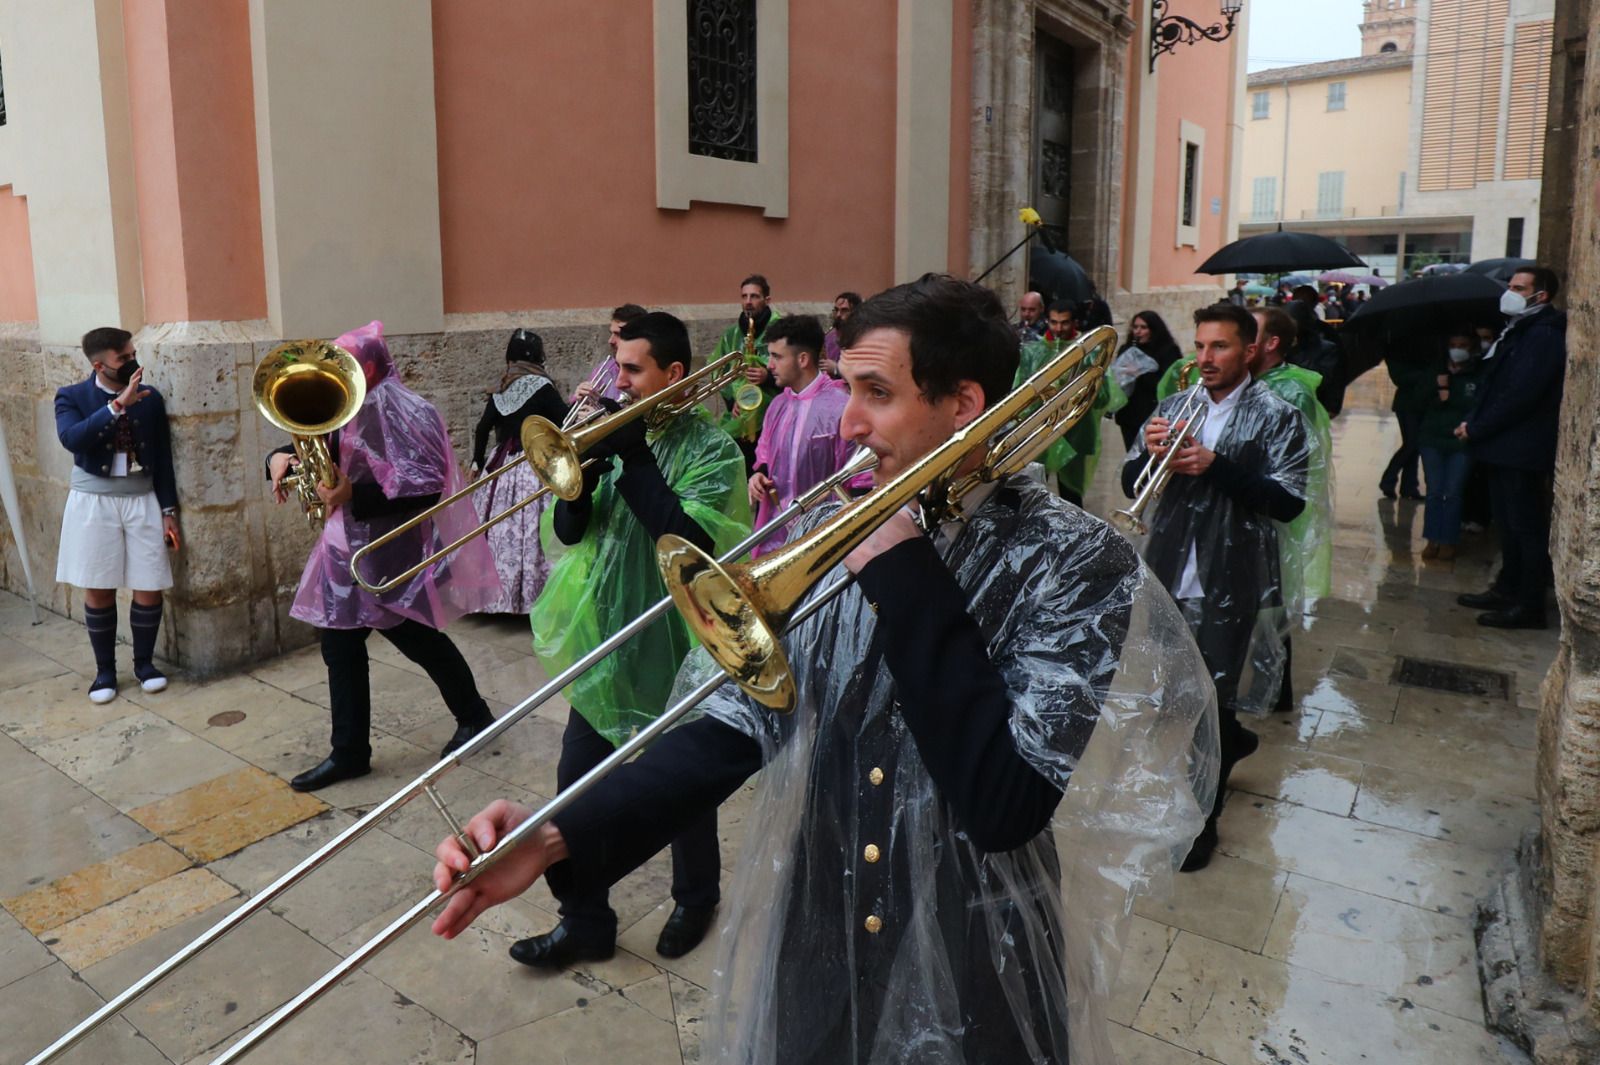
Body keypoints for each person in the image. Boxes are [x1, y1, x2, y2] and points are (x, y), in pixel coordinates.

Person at [433, 275, 1216, 1065]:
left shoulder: (1077, 561)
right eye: (846, 389)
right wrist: (560, 830)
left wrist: (906, 569)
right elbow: (736, 727)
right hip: (823, 919)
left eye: (875, 392)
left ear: (964, 403)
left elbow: (1006, 801)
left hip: (976, 939)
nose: (846, 424)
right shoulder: (836, 524)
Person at [522, 311, 751, 966]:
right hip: (608, 642)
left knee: (680, 788)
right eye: (617, 365)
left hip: (676, 645)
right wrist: (578, 487)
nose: (615, 381)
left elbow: (696, 545)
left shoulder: (714, 450)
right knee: (577, 782)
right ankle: (585, 917)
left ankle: (696, 896)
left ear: (673, 374)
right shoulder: (612, 436)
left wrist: (634, 458)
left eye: (631, 369)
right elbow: (568, 537)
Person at [267, 322, 501, 792]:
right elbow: (311, 446)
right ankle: (349, 752)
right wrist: (277, 459)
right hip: (344, 549)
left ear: (370, 367)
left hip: (392, 549)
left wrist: (357, 492)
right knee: (339, 645)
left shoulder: (413, 411)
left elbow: (428, 484)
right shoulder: (338, 405)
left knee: (417, 637)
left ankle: (475, 716)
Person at [1122, 303, 1309, 870]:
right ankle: (1220, 749)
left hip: (1234, 569)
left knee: (1216, 690)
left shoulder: (1279, 414)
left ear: (1249, 350)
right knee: (1174, 685)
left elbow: (1289, 500)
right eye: (1199, 346)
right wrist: (1148, 456)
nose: (1205, 358)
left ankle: (1203, 820)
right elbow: (1132, 478)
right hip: (1173, 559)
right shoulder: (1174, 404)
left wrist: (1216, 465)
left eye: (1219, 347)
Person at [54, 327, 181, 704]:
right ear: (99, 365)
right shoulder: (72, 397)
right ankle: (105, 671)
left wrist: (168, 510)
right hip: (93, 501)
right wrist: (116, 406)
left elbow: (162, 458)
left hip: (141, 497)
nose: (132, 362)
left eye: (132, 354)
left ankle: (144, 664)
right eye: (123, 358)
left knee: (148, 580)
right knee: (98, 583)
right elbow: (72, 439)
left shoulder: (152, 398)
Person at [1455, 265, 1568, 629]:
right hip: (1502, 445)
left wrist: (1478, 427)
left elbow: (1521, 393)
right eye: (1511, 285)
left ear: (1542, 295)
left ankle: (1529, 603)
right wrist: (1474, 421)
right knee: (1507, 524)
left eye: (1520, 287)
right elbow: (1495, 386)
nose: (1511, 291)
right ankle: (1508, 588)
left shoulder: (1544, 335)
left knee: (1525, 527)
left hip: (1520, 446)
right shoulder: (1521, 329)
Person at [1251, 308, 1335, 714]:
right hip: (1249, 506)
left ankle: (1274, 692)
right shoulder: (1254, 381)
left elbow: (1290, 461)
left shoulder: (1291, 391)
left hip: (1270, 510)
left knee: (1271, 605)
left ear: (1271, 343)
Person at [467, 329, 571, 613]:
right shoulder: (544, 387)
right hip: (533, 466)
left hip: (500, 464)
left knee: (498, 530)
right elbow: (564, 420)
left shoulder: (503, 386)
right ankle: (532, 597)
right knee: (533, 529)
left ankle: (494, 598)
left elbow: (482, 428)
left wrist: (477, 462)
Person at [748, 315, 853, 556]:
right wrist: (757, 477)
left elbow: (854, 477)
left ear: (803, 359)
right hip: (777, 537)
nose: (769, 365)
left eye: (777, 356)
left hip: (824, 537)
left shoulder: (840, 407)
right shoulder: (777, 406)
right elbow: (765, 459)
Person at [1017, 301, 1125, 506]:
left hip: (1075, 433)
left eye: (1064, 323)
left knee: (1072, 496)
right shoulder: (1033, 352)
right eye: (1054, 322)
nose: (1058, 329)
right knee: (1033, 492)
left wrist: (1076, 387)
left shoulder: (1091, 351)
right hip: (1040, 432)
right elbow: (1020, 394)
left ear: (1074, 322)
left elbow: (1103, 397)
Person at [1418, 330, 1484, 562]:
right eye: (1453, 344)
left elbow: (1476, 404)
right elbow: (1420, 399)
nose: (1457, 349)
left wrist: (1453, 398)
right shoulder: (1436, 371)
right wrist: (1439, 392)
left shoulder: (1478, 374)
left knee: (1453, 492)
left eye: (1462, 344)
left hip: (1460, 441)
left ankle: (1448, 540)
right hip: (1432, 439)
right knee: (1435, 491)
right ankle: (1432, 539)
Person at [712, 274, 783, 466]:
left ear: (767, 300)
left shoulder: (782, 330)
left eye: (754, 296)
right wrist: (733, 400)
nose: (748, 302)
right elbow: (718, 370)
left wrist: (767, 377)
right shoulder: (732, 335)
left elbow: (796, 372)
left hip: (774, 418)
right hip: (741, 415)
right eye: (744, 297)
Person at [1113, 311, 1183, 451]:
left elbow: (1169, 382)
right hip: (1129, 413)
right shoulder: (1127, 349)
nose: (1138, 332)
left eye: (1143, 328)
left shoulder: (1168, 351)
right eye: (1135, 327)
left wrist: (1139, 374)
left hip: (1152, 412)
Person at [571, 303, 646, 408]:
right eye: (611, 333)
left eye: (619, 334)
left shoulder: (646, 372)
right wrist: (578, 400)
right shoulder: (604, 368)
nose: (610, 341)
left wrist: (605, 417)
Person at [822, 291, 861, 377]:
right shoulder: (829, 335)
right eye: (836, 310)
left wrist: (836, 369)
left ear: (855, 313)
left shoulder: (862, 338)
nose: (838, 315)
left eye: (844, 310)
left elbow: (862, 371)